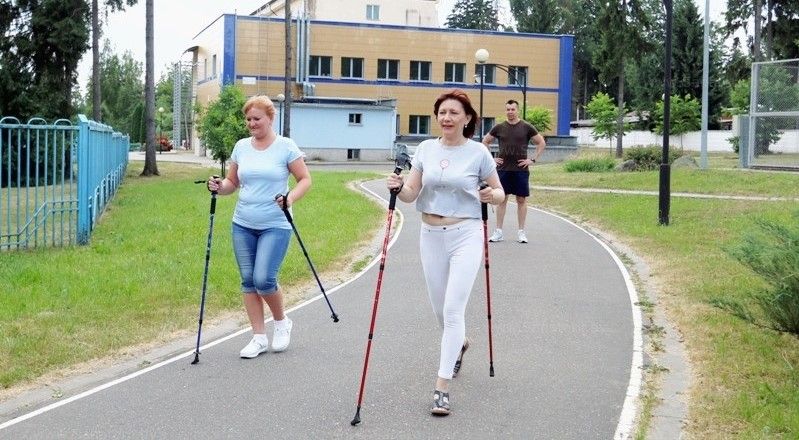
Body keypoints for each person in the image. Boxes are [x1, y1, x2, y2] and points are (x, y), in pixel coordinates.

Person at [386, 89, 505, 416]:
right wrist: (398, 187)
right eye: (442, 113)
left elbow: (499, 192)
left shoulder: (478, 152)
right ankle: (460, 344)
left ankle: (441, 388)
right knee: (440, 310)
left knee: (453, 310)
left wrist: (490, 196)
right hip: (430, 234)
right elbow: (411, 193)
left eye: (454, 113)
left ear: (467, 118)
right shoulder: (426, 149)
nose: (447, 118)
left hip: (466, 233)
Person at [206, 95, 311, 359]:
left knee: (264, 279)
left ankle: (281, 322)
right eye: (248, 119)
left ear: (270, 118)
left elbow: (305, 179)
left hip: (275, 223)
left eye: (257, 119)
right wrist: (219, 186)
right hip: (243, 223)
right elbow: (232, 183)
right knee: (248, 280)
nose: (252, 123)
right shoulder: (241, 147)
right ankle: (259, 337)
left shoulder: (286, 147)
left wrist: (289, 199)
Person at [481, 99, 546, 243]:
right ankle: (498, 232)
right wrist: (491, 159)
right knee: (501, 199)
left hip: (520, 170)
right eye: (508, 109)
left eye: (513, 109)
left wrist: (533, 159)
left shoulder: (526, 127)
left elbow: (541, 142)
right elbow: (485, 141)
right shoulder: (499, 127)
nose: (510, 112)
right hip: (503, 170)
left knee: (521, 200)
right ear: (506, 110)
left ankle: (521, 232)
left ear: (517, 110)